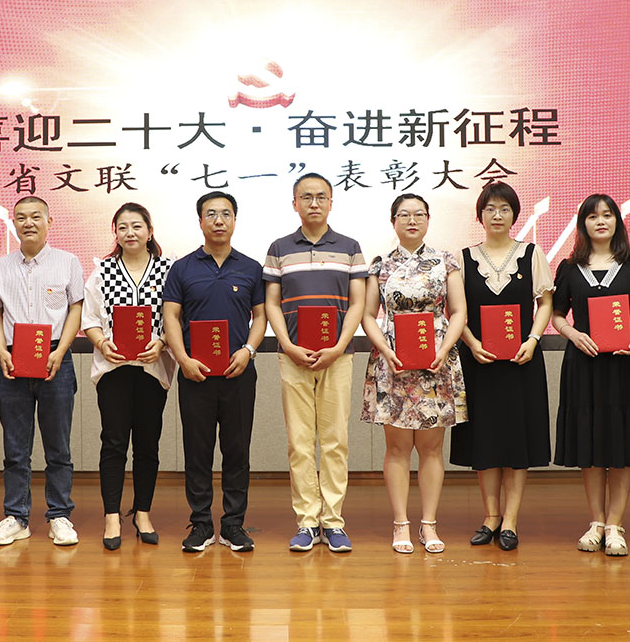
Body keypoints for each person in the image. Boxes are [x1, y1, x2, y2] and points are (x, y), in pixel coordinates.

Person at [550, 194, 630, 557]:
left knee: (622, 443)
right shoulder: (569, 267)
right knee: (591, 443)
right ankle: (596, 522)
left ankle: (615, 524)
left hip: (623, 363)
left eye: (608, 215)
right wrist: (573, 334)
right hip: (584, 364)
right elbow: (556, 316)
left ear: (617, 221)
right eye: (593, 216)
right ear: (582, 224)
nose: (601, 221)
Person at [263, 173, 367, 553]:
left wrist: (338, 346)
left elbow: (358, 302)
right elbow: (271, 303)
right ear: (294, 203)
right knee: (300, 443)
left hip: (338, 357)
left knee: (336, 441)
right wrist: (288, 345)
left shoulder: (350, 248)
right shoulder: (279, 249)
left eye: (321, 197)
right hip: (293, 358)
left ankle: (333, 522)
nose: (314, 203)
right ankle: (307, 522)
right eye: (306, 197)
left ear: (331, 202)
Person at [360, 193, 468, 554]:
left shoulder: (445, 261)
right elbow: (368, 315)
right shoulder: (380, 265)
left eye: (419, 214)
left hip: (436, 359)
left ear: (428, 220)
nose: (412, 220)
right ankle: (400, 524)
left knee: (432, 448)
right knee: (397, 448)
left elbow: (458, 312)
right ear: (393, 221)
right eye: (404, 215)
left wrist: (444, 348)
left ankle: (429, 524)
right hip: (393, 360)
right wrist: (385, 350)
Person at [450, 181, 554, 551]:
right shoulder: (462, 258)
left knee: (517, 440)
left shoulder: (531, 254)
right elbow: (455, 311)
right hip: (479, 361)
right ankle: (490, 516)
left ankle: (510, 520)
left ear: (514, 215)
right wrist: (472, 343)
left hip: (522, 361)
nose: (497, 215)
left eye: (505, 208)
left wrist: (533, 340)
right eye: (490, 208)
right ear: (480, 215)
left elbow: (545, 303)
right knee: (486, 439)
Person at [163, 191, 266, 553]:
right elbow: (171, 316)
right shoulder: (182, 268)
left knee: (237, 450)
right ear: (200, 221)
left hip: (239, 373)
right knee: (198, 450)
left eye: (225, 214)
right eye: (211, 214)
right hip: (196, 374)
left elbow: (260, 316)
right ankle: (201, 524)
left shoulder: (251, 267)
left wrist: (249, 350)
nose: (218, 220)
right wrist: (183, 358)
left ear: (235, 220)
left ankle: (234, 524)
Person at [0, 196, 84, 547]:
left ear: (49, 221)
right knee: (15, 447)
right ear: (13, 223)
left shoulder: (68, 262)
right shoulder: (0, 266)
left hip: (56, 357)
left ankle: (60, 515)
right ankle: (16, 517)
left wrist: (61, 350)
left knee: (58, 447)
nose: (28, 223)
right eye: (21, 217)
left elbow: (76, 309)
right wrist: (1, 350)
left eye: (36, 216)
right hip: (13, 359)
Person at [82, 203, 176, 550]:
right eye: (123, 227)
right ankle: (111, 516)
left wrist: (162, 341)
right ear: (116, 234)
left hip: (153, 368)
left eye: (137, 226)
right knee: (114, 441)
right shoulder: (102, 271)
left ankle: (142, 513)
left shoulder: (169, 270)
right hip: (114, 369)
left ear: (150, 231)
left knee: (148, 443)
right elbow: (90, 319)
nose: (130, 232)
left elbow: (176, 316)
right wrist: (102, 343)